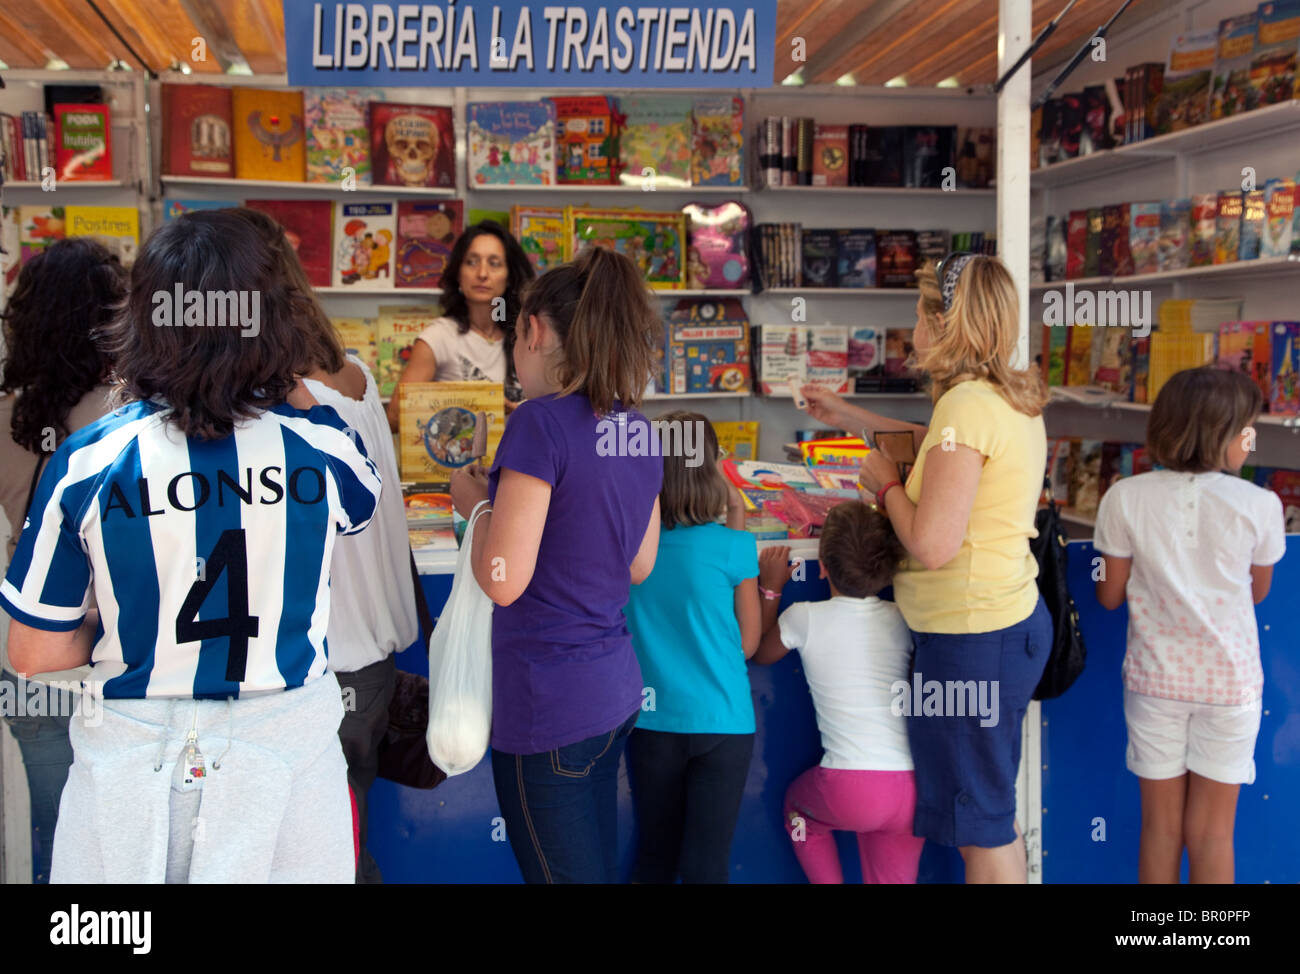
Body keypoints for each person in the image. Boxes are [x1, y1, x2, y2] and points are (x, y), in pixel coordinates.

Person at [1, 209, 382, 883]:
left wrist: (133, 626)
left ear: (143, 318)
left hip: (134, 777)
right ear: (275, 318)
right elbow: (353, 505)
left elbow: (32, 653)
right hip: (286, 775)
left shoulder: (90, 460)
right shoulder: (326, 452)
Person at [805, 253, 1050, 884]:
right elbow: (937, 443)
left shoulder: (966, 405)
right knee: (991, 815)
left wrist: (887, 486)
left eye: (919, 312)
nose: (911, 325)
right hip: (1000, 624)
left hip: (973, 639)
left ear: (946, 323)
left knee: (980, 828)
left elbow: (934, 544)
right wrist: (849, 418)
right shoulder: (1005, 396)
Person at [448, 246, 662, 884]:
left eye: (516, 338)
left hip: (548, 707)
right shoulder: (636, 427)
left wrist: (478, 505)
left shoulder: (539, 424)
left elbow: (503, 581)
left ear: (534, 331)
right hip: (613, 694)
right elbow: (639, 565)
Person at [237, 207, 419, 884]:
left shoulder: (287, 400)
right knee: (342, 830)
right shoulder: (355, 374)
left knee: (308, 851)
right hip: (368, 656)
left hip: (318, 661)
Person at [1094, 367, 1284, 884]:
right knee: (1213, 834)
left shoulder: (1124, 498)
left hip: (1156, 683)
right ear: (1221, 434)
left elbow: (1109, 597)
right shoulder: (1261, 505)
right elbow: (1257, 591)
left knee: (1160, 829)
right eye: (1248, 428)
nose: (1252, 438)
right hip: (1231, 684)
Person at [0, 237, 126, 883]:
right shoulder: (129, 416)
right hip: (118, 647)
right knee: (132, 847)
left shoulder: (6, 415)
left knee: (62, 844)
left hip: (31, 648)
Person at [622, 411, 760, 884]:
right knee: (707, 867)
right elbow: (747, 642)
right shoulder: (734, 548)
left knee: (654, 856)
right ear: (713, 470)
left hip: (652, 723)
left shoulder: (633, 549)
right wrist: (734, 507)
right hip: (724, 723)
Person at [753, 503, 924, 884]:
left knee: (798, 814)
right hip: (913, 791)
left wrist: (771, 588)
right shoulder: (904, 616)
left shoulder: (806, 617)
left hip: (848, 789)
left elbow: (761, 653)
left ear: (823, 565)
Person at [385, 220, 534, 431]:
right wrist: (471, 404)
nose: (482, 273)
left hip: (517, 462)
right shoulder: (438, 337)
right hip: (460, 460)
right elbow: (394, 417)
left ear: (509, 276)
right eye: (472, 262)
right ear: (458, 272)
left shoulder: (526, 337)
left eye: (494, 263)